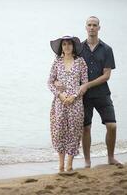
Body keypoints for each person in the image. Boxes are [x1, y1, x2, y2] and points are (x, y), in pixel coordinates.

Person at [55, 16, 122, 168]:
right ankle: (87, 161)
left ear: (99, 28)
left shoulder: (107, 49)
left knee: (112, 126)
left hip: (102, 94)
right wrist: (58, 82)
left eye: (95, 25)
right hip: (83, 97)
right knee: (86, 128)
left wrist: (87, 85)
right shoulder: (79, 49)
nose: (92, 27)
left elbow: (107, 75)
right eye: (89, 25)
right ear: (85, 27)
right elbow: (67, 67)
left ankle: (111, 157)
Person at [48, 35, 88, 173]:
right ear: (61, 47)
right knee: (59, 132)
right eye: (64, 44)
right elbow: (49, 82)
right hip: (59, 103)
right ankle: (60, 166)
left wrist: (74, 96)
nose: (67, 47)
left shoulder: (80, 62)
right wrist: (60, 94)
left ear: (73, 46)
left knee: (74, 132)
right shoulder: (57, 62)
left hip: (76, 104)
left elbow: (85, 84)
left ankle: (69, 165)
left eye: (69, 44)